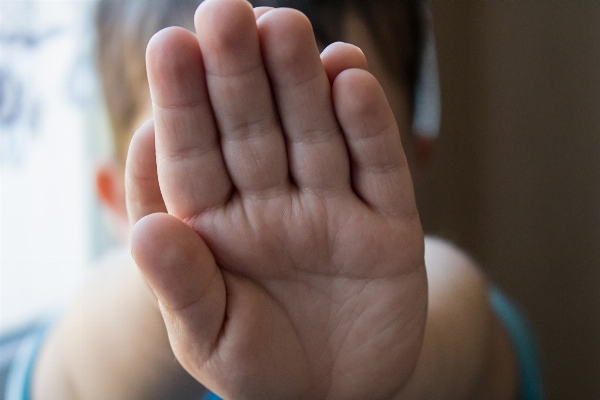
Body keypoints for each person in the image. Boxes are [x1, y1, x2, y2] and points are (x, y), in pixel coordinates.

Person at [0, 0, 542, 399]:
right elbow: (77, 373)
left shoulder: (460, 329)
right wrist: (180, 280)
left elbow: (463, 320)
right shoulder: (89, 345)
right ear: (116, 199)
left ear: (413, 161)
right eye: (212, 160)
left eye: (331, 149)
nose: (277, 225)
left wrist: (383, 350)